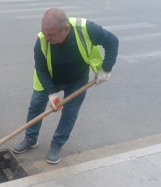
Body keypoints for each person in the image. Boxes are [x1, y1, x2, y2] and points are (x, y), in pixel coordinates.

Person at [12, 8, 119, 164]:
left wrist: (106, 69)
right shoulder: (41, 40)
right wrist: (51, 94)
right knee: (35, 105)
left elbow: (112, 41)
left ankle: (56, 145)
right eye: (44, 33)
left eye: (51, 35)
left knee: (70, 112)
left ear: (66, 29)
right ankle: (30, 138)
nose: (46, 38)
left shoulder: (86, 29)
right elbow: (40, 69)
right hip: (50, 77)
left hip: (77, 79)